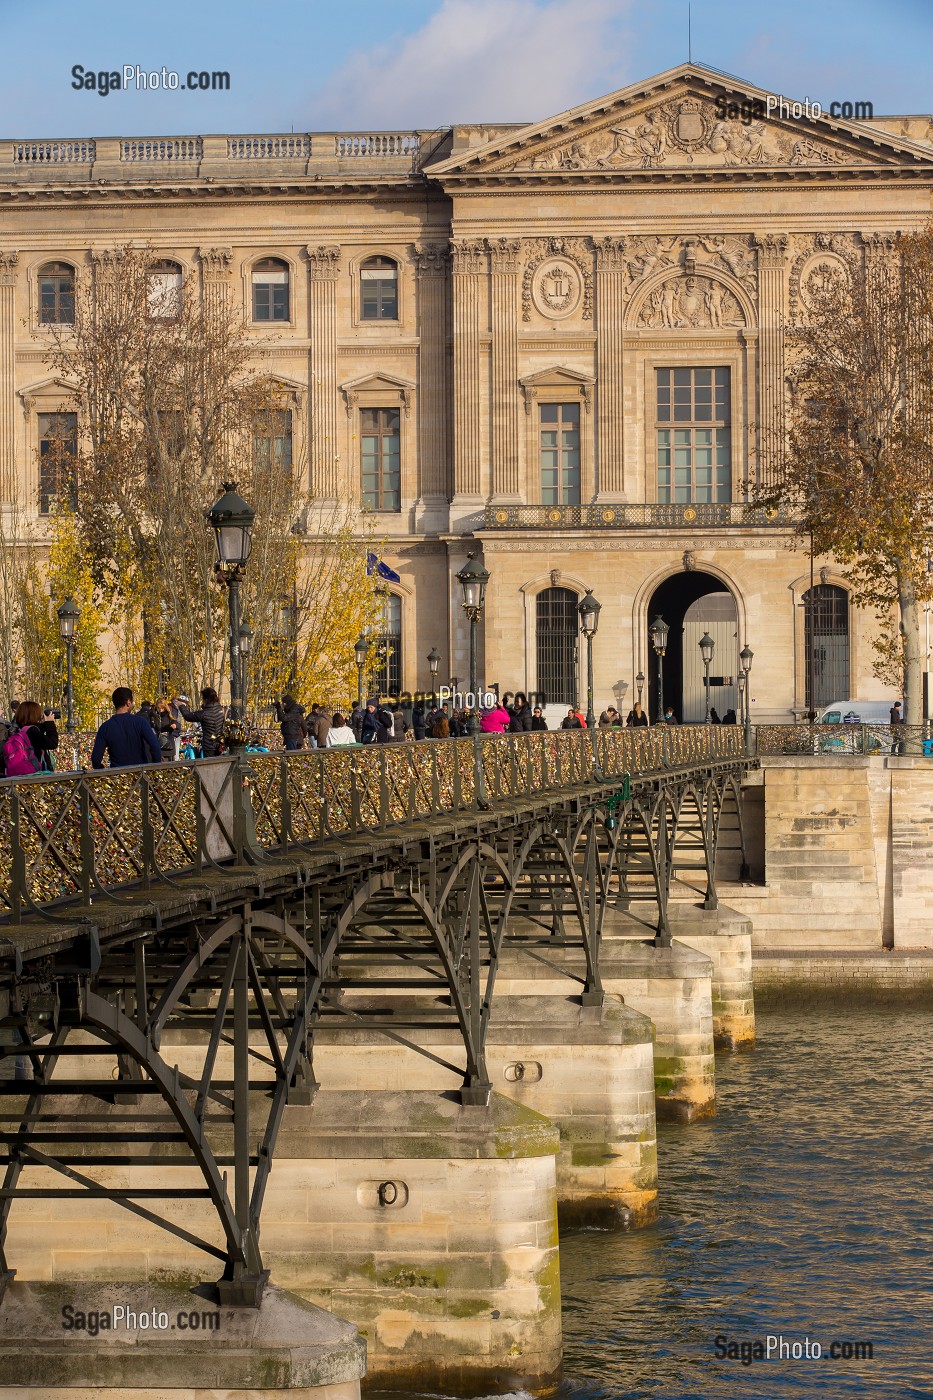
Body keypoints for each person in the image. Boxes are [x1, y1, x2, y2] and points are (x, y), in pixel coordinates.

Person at [91, 687, 162, 769]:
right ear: (128, 702)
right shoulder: (140, 722)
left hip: (118, 776)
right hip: (139, 773)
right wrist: (154, 767)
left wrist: (102, 769)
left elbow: (96, 759)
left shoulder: (105, 727)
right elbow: (155, 747)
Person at [0, 701, 59, 777]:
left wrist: (45, 725)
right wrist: (50, 723)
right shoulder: (32, 732)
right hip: (34, 774)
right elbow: (52, 743)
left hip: (20, 775)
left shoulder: (21, 729)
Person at [176, 688, 226, 757]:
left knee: (209, 765)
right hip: (220, 743)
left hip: (209, 745)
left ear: (206, 699)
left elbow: (188, 716)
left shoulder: (204, 713)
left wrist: (181, 705)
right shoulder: (220, 709)